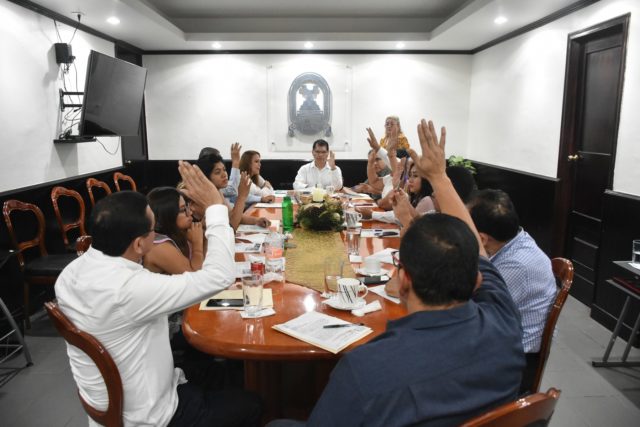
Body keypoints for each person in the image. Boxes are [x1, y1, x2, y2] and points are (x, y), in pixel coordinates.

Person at [270, 119, 524, 427]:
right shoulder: (506, 324)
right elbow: (478, 252)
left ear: (402, 281)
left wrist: (438, 177)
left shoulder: (365, 368)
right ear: (478, 280)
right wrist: (440, 177)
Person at [55, 161, 262, 426]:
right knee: (253, 403)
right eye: (153, 229)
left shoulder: (70, 274)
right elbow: (219, 277)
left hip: (118, 399)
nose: (157, 234)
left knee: (226, 373)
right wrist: (215, 207)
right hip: (153, 415)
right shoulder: (130, 288)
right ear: (139, 244)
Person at [467, 188, 557, 394]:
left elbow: (475, 314)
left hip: (514, 360)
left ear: (482, 239)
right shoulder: (516, 239)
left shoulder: (516, 266)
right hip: (502, 338)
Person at [197, 152, 270, 230]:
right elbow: (232, 224)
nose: (224, 174)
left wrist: (256, 220)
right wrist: (242, 196)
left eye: (224, 170)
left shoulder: (218, 191)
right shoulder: (206, 197)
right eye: (218, 172)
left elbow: (232, 215)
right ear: (206, 178)